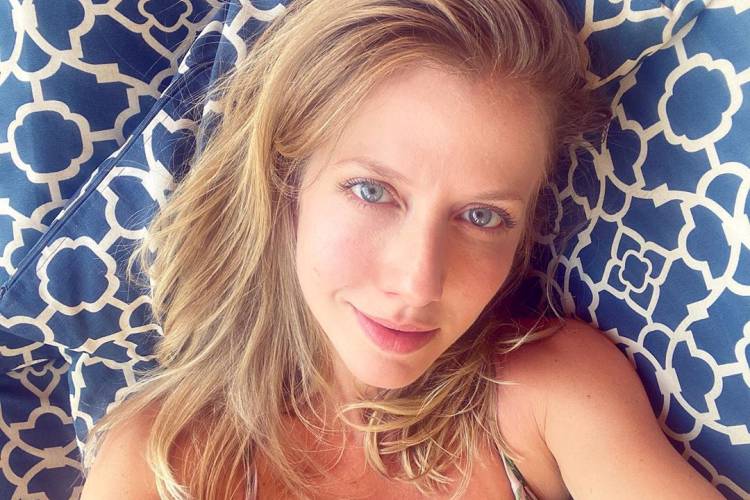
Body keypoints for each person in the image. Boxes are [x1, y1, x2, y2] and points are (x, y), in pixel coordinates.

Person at [78, 1, 723, 499]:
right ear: (284, 182)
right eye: (372, 191)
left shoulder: (547, 394)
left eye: (482, 216)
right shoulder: (161, 462)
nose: (418, 282)